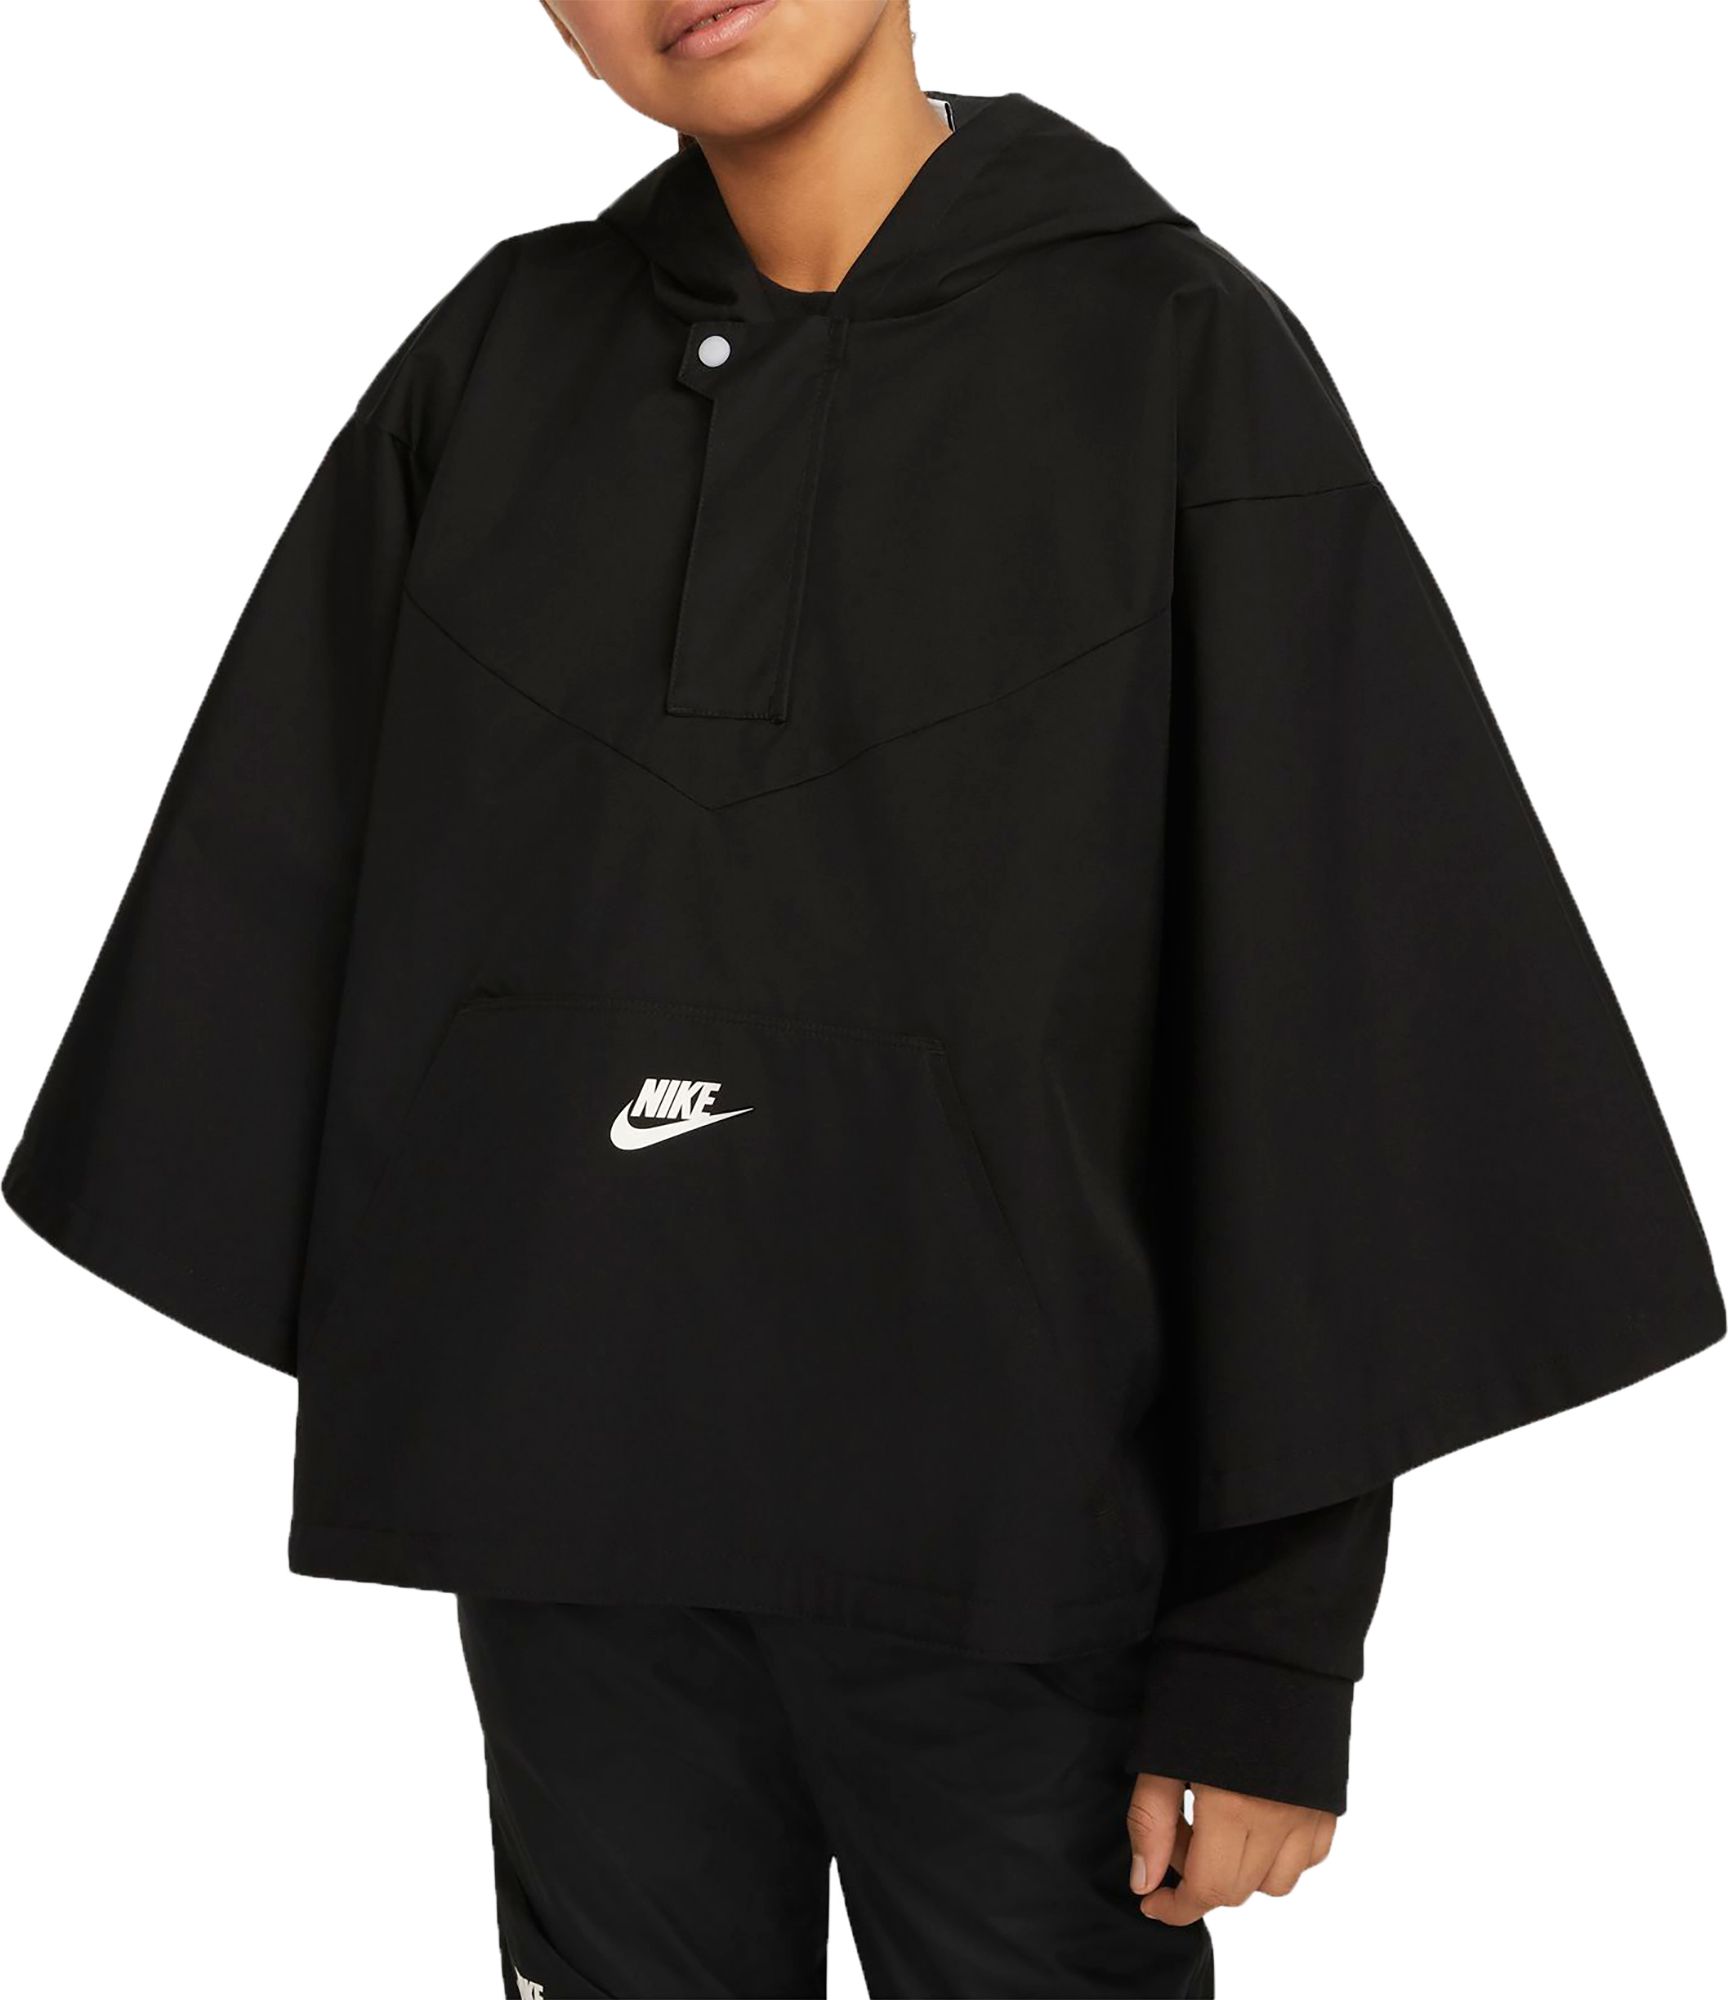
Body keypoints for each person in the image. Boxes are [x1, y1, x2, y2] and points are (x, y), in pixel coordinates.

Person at [5, 3, 1721, 1995]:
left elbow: (1332, 1019)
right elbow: (280, 920)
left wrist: (1268, 1651)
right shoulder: (494, 367)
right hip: (581, 1546)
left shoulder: (1173, 353)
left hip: (1027, 1579)